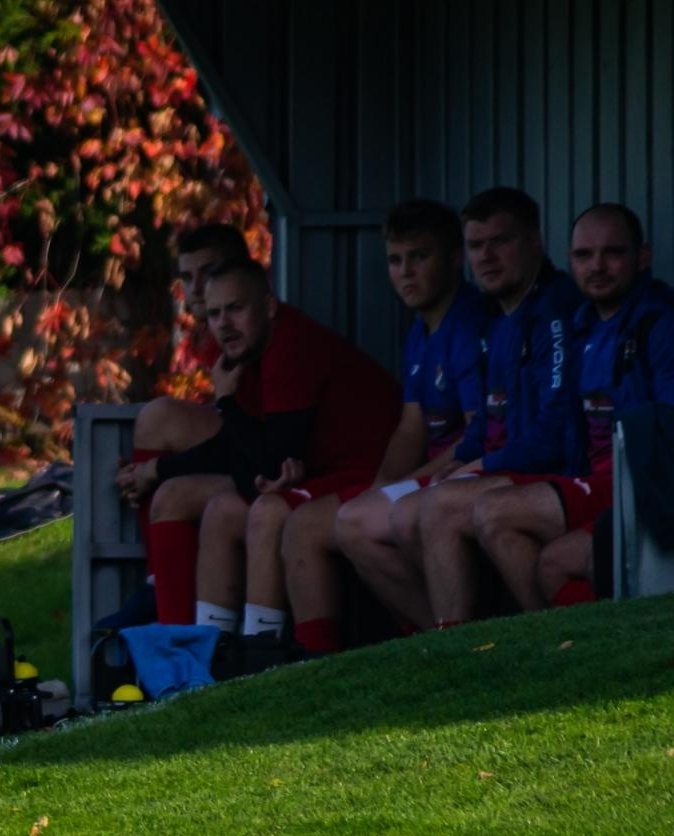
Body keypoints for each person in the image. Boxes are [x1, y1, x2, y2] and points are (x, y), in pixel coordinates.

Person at [287, 199, 485, 646]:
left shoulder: (469, 324)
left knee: (357, 521)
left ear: (455, 258)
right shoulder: (420, 330)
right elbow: (411, 427)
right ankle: (316, 663)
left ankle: (447, 641)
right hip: (433, 477)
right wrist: (383, 485)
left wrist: (404, 487)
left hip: (467, 472)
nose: (406, 272)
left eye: (420, 256)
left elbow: (479, 435)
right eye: (396, 260)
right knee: (307, 524)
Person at [181, 258, 398, 648]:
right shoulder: (241, 357)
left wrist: (227, 405)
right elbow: (249, 454)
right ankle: (205, 661)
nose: (224, 324)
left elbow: (269, 456)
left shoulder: (290, 344)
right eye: (214, 314)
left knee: (268, 510)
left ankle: (260, 661)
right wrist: (161, 469)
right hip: (324, 474)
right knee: (222, 510)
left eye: (236, 308)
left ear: (268, 306)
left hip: (374, 474)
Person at [474, 204, 674, 611]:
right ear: (569, 260)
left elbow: (667, 429)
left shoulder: (660, 322)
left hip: (637, 486)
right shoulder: (580, 324)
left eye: (613, 253)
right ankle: (564, 652)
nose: (597, 266)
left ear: (643, 256)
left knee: (495, 513)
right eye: (584, 256)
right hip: (591, 478)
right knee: (548, 561)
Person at [410, 187, 584, 628]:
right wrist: (462, 462)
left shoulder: (556, 309)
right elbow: (486, 425)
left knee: (438, 507)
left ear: (535, 242)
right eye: (476, 246)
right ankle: (450, 643)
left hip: (561, 472)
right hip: (516, 469)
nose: (486, 256)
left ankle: (515, 641)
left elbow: (554, 431)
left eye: (500, 242)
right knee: (394, 510)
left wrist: (480, 464)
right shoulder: (491, 316)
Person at [110, 223, 250, 626]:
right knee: (160, 427)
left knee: (162, 421)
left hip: (294, 467)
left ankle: (167, 606)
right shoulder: (213, 333)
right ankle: (159, 583)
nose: (197, 287)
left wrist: (154, 470)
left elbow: (250, 439)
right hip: (251, 455)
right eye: (187, 277)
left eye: (208, 272)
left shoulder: (251, 324)